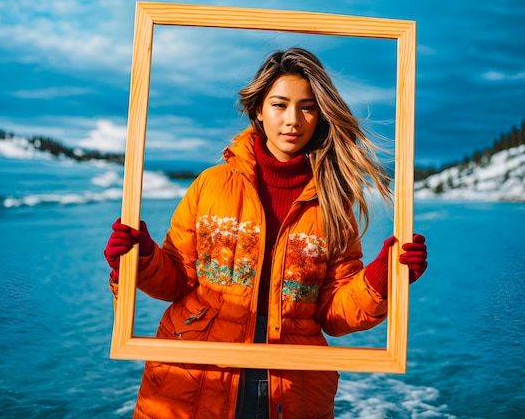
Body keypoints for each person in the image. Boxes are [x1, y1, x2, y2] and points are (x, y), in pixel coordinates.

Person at [103, 47, 428, 419]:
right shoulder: (211, 185)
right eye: (279, 104)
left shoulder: (334, 204)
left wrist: (383, 278)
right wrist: (139, 257)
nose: (293, 120)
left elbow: (333, 314)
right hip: (194, 375)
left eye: (307, 106)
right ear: (258, 109)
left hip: (292, 385)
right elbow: (176, 281)